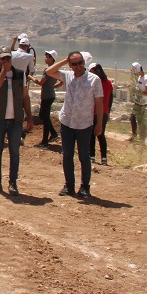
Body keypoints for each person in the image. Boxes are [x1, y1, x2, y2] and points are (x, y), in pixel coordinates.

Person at [46, 51, 104, 199]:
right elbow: (49, 71)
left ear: (84, 63)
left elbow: (99, 102)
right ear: (70, 65)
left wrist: (99, 124)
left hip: (84, 124)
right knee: (67, 156)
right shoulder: (67, 75)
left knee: (84, 157)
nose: (78, 66)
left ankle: (85, 187)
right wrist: (65, 60)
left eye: (80, 63)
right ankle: (69, 186)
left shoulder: (94, 79)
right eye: (74, 63)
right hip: (67, 122)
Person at [0, 46, 31, 195]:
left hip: (16, 120)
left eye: (8, 58)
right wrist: (4, 73)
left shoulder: (20, 74)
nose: (6, 61)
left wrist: (29, 118)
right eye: (3, 58)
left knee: (14, 153)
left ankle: (13, 183)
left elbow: (25, 96)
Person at [29, 50, 63, 147]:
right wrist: (53, 86)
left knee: (45, 117)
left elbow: (40, 83)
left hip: (47, 96)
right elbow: (62, 82)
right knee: (43, 116)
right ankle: (53, 133)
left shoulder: (47, 71)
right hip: (50, 95)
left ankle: (44, 141)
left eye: (46, 57)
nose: (45, 58)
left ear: (51, 58)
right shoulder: (55, 70)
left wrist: (30, 77)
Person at [88, 63, 113, 165]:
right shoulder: (108, 83)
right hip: (104, 112)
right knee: (101, 135)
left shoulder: (94, 82)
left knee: (91, 135)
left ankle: (92, 156)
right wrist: (108, 111)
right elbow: (110, 98)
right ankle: (104, 158)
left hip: (93, 111)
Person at [129, 62, 147, 139]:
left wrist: (139, 93)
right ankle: (134, 135)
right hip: (137, 101)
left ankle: (142, 137)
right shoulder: (139, 77)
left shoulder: (146, 79)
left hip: (142, 103)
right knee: (132, 118)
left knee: (139, 120)